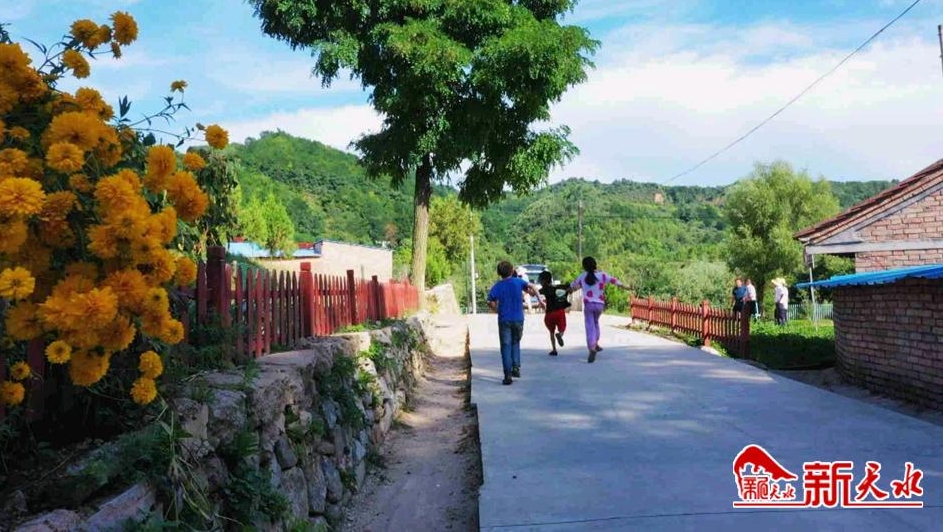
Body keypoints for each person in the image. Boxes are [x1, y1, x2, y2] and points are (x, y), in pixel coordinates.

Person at [488, 261, 542, 385]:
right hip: (518, 319)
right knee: (515, 341)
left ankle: (507, 375)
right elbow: (532, 287)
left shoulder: (497, 286)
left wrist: (496, 309)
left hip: (504, 320)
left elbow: (490, 301)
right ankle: (516, 367)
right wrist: (540, 300)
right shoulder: (518, 282)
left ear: (498, 273)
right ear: (512, 270)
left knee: (505, 346)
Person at [568, 256, 631, 363]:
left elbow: (572, 286)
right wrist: (625, 287)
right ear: (595, 265)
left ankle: (592, 348)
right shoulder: (602, 275)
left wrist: (568, 290)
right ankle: (596, 343)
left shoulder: (582, 276)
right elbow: (614, 280)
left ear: (584, 266)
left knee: (590, 326)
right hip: (599, 305)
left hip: (589, 305)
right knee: (595, 323)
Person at [537, 271, 570, 356]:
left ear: (543, 281)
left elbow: (534, 293)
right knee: (562, 328)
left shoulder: (544, 289)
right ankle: (560, 335)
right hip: (559, 312)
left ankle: (554, 349)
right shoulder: (559, 287)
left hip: (549, 313)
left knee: (551, 332)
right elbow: (569, 287)